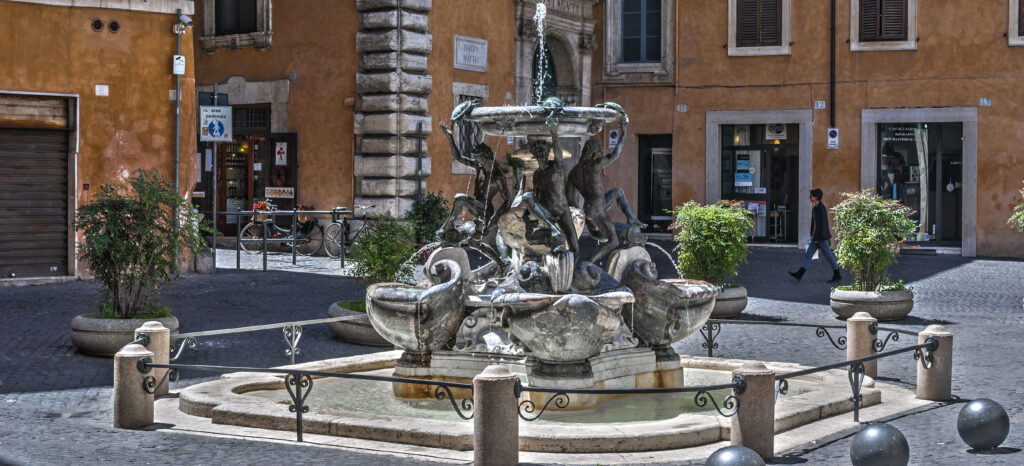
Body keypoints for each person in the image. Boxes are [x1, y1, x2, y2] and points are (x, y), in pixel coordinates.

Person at [789, 188, 842, 283]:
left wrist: (818, 238)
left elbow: (822, 224)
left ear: (816, 197)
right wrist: (812, 236)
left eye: (812, 196)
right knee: (808, 255)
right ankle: (799, 274)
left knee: (829, 257)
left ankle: (837, 274)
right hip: (815, 238)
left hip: (821, 238)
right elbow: (814, 224)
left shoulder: (821, 209)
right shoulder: (815, 208)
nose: (810, 197)